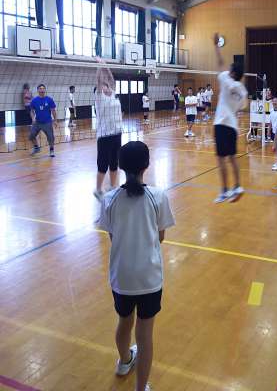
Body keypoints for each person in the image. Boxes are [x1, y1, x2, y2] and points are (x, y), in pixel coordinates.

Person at [98, 141, 175, 391]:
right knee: (144, 334)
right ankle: (141, 388)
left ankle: (124, 362)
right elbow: (160, 237)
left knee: (124, 321)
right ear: (146, 165)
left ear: (120, 166)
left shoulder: (109, 199)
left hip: (122, 277)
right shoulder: (158, 196)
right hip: (149, 277)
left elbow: (112, 236)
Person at [213, 33, 248, 203]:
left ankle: (225, 191)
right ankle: (238, 186)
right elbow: (243, 107)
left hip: (221, 123)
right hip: (233, 126)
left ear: (232, 72)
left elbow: (220, 64)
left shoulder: (225, 79)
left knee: (221, 159)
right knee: (232, 157)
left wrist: (216, 46)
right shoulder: (243, 90)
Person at [94, 60, 123, 200]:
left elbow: (111, 79)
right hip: (104, 136)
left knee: (114, 163)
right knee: (102, 165)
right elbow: (99, 81)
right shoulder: (99, 98)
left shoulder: (113, 96)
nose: (107, 87)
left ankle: (112, 187)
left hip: (117, 134)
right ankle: (98, 190)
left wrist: (106, 65)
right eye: (104, 86)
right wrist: (100, 66)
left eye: (108, 86)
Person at [29, 84, 57, 157]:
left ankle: (51, 150)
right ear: (38, 90)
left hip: (47, 122)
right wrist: (33, 118)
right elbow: (31, 111)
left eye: (43, 88)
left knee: (51, 137)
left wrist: (55, 120)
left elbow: (53, 110)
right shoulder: (34, 100)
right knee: (31, 136)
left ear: (45, 90)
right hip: (37, 122)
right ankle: (36, 148)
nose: (42, 90)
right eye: (40, 88)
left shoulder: (49, 99)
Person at [268, 97, 277, 171]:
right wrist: (268, 131)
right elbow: (270, 122)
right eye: (273, 101)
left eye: (275, 101)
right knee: (276, 148)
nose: (274, 102)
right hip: (274, 132)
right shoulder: (271, 111)